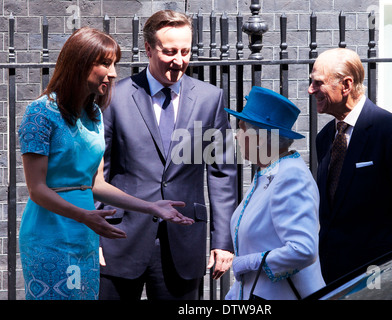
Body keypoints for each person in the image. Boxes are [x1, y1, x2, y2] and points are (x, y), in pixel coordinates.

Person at [18, 27, 193, 300]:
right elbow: (36, 189)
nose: (113, 74)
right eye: (105, 64)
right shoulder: (40, 113)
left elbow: (96, 184)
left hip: (86, 230)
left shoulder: (95, 114)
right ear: (79, 64)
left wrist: (151, 207)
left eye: (114, 65)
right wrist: (83, 216)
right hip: (50, 232)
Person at [97, 10, 237, 300]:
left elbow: (222, 173)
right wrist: (93, 231)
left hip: (183, 240)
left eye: (185, 51)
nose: (179, 60)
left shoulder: (210, 100)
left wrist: (223, 240)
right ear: (148, 49)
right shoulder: (116, 97)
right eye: (170, 51)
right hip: (120, 238)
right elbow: (99, 172)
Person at [308, 47, 392, 284]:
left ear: (346, 85)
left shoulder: (391, 132)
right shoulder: (325, 137)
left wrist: (390, 258)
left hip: (377, 278)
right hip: (332, 277)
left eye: (318, 83)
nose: (310, 90)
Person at [224, 86, 325, 300]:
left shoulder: (290, 177)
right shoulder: (269, 172)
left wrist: (247, 262)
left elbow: (303, 249)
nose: (236, 136)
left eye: (241, 128)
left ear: (259, 138)